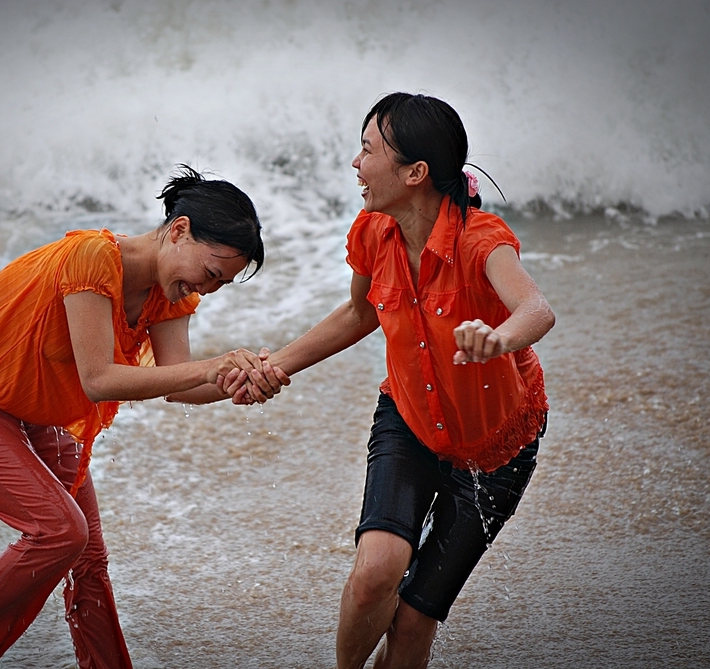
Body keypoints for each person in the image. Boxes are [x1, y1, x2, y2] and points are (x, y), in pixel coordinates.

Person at [0, 166, 284, 669]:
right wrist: (214, 367)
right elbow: (99, 380)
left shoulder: (167, 294)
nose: (210, 288)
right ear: (178, 230)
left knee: (88, 557)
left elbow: (179, 384)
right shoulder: (93, 257)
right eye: (212, 273)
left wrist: (238, 384)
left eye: (222, 283)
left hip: (29, 408)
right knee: (61, 532)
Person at [232, 93, 555, 668]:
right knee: (373, 577)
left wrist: (499, 339)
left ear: (415, 173)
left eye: (367, 149)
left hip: (495, 452)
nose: (355, 163)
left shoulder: (480, 240)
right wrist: (277, 364)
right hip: (408, 421)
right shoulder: (371, 230)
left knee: (411, 627)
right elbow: (358, 313)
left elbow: (536, 311)